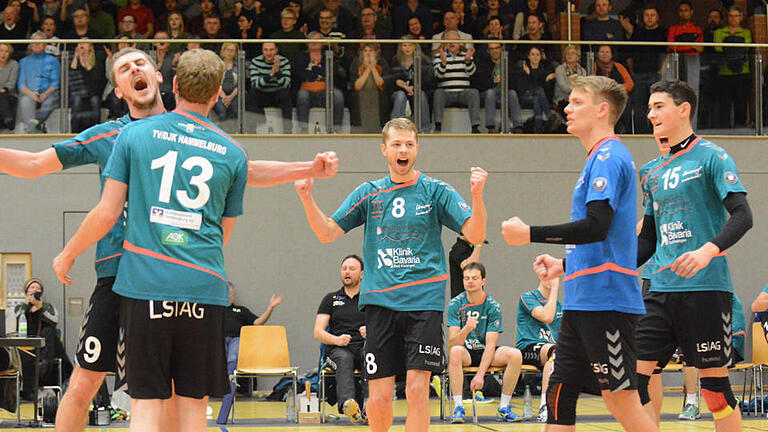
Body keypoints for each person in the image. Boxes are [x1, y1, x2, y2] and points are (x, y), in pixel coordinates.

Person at [0, 46, 338, 432]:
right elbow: (32, 163)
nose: (134, 69)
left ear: (161, 76)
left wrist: (308, 167)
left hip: (167, 278)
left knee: (176, 395)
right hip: (119, 273)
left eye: (140, 62)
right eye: (124, 69)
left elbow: (247, 169)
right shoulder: (112, 135)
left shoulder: (198, 133)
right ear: (119, 90)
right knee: (85, 382)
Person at [294, 117, 487, 432]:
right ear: (384, 149)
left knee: (416, 389)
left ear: (417, 149)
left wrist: (477, 196)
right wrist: (306, 198)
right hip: (380, 304)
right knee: (380, 396)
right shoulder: (370, 193)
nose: (403, 150)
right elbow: (327, 232)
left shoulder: (436, 191)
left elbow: (475, 232)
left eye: (409, 144)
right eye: (397, 144)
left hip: (423, 303)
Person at [501, 75, 658, 432]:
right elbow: (606, 241)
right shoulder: (596, 158)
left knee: (621, 400)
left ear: (602, 110)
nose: (566, 108)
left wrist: (530, 234)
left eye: (576, 102)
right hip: (582, 301)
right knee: (559, 390)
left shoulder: (609, 156)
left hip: (607, 303)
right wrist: (564, 265)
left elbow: (596, 226)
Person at [635, 79, 751, 431]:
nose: (651, 113)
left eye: (658, 106)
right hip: (659, 288)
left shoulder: (712, 156)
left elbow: (743, 215)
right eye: (650, 107)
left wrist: (707, 249)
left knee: (714, 390)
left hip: (705, 288)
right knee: (633, 380)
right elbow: (648, 242)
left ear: (683, 109)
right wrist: (607, 267)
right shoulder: (650, 172)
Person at [447, 262, 523, 423]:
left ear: (483, 281)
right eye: (466, 278)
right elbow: (452, 343)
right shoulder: (455, 304)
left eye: (474, 278)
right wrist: (466, 329)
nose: (470, 281)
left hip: (486, 351)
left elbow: (490, 344)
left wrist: (480, 375)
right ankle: (459, 407)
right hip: (466, 352)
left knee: (515, 355)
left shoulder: (492, 306)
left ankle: (503, 408)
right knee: (454, 352)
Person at [314, 254, 367, 423]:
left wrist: (372, 331)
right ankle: (348, 404)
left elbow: (385, 326)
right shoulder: (331, 299)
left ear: (362, 274)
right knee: (344, 359)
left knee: (371, 355)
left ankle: (370, 406)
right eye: (344, 269)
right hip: (339, 349)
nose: (347, 272)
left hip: (365, 345)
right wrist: (336, 340)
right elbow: (318, 332)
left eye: (352, 269)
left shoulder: (370, 298)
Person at [13, 278, 73, 400]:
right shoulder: (19, 307)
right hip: (27, 346)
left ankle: (43, 364)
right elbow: (14, 324)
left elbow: (54, 321)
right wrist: (27, 306)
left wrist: (40, 307)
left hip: (47, 347)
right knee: (24, 355)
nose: (35, 290)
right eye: (32, 287)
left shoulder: (48, 307)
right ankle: (28, 390)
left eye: (38, 288)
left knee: (49, 331)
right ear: (26, 290)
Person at [515, 275, 562, 423]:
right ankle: (545, 406)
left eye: (554, 276)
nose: (551, 279)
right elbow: (546, 316)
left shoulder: (559, 306)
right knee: (554, 352)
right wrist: (555, 288)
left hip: (550, 350)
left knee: (557, 355)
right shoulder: (528, 297)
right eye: (547, 275)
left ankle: (554, 404)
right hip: (527, 347)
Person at [224, 281, 284, 388]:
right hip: (218, 340)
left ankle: (230, 380)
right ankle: (222, 382)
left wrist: (270, 308)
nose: (227, 296)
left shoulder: (241, 310)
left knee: (235, 349)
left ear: (233, 295)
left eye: (230, 293)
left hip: (237, 339)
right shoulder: (214, 310)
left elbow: (257, 323)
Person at [294, 32, 346, 133]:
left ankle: (336, 129)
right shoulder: (301, 57)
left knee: (338, 95)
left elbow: (332, 72)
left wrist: (312, 72)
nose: (314, 42)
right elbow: (300, 73)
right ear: (307, 43)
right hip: (307, 90)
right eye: (311, 40)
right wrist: (319, 74)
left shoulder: (328, 56)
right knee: (302, 95)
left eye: (317, 40)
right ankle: (304, 129)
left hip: (324, 91)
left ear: (322, 43)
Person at [627, 4, 666, 134]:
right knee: (639, 105)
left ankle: (658, 130)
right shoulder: (637, 33)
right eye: (646, 15)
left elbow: (668, 54)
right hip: (638, 74)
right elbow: (629, 54)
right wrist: (633, 72)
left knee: (658, 104)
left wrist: (661, 71)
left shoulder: (662, 33)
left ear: (658, 17)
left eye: (652, 15)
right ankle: (641, 132)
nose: (649, 18)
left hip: (655, 74)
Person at [432, 30, 480, 134]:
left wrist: (467, 60)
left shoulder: (466, 55)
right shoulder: (439, 56)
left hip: (463, 92)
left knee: (473, 92)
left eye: (454, 40)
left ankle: (475, 127)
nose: (451, 43)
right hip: (446, 92)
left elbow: (472, 73)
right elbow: (438, 75)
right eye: (448, 41)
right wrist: (443, 62)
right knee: (438, 93)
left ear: (460, 43)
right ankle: (438, 126)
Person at [665, 1, 702, 128]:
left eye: (686, 10)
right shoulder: (673, 29)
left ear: (691, 12)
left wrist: (680, 46)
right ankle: (675, 126)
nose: (684, 13)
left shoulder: (697, 29)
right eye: (681, 10)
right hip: (676, 63)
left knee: (692, 93)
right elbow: (670, 46)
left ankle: (693, 126)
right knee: (674, 94)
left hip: (692, 64)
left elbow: (700, 48)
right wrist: (690, 46)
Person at [713, 6, 751, 129]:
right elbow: (718, 48)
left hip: (742, 71)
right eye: (731, 16)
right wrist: (736, 47)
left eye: (736, 16)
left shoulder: (746, 32)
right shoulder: (719, 32)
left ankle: (740, 128)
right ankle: (724, 128)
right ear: (727, 17)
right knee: (724, 103)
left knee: (741, 102)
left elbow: (745, 48)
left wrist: (728, 46)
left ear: (741, 18)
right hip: (724, 72)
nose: (733, 18)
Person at [16, 31, 60, 134]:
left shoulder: (53, 60)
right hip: (30, 93)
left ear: (45, 45)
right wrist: (32, 94)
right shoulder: (23, 61)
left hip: (49, 93)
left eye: (39, 42)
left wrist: (45, 94)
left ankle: (36, 123)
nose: (36, 44)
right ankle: (35, 130)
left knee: (52, 100)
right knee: (25, 101)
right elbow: (21, 84)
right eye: (34, 42)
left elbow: (55, 83)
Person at [476, 42, 523, 133]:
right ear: (488, 51)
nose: (494, 51)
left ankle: (518, 126)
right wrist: (493, 82)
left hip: (504, 93)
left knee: (512, 93)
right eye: (491, 49)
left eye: (496, 48)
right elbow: (480, 84)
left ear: (502, 49)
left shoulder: (508, 63)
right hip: (487, 94)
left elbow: (515, 84)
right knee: (490, 93)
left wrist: (505, 80)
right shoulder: (483, 64)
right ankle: (491, 127)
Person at [247, 42, 293, 134]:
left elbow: (287, 84)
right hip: (262, 93)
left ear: (276, 50)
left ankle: (288, 131)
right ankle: (252, 131)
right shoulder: (256, 61)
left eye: (271, 50)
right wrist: (271, 74)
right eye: (266, 50)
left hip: (278, 93)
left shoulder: (284, 61)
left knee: (285, 94)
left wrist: (278, 71)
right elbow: (255, 84)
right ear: (262, 51)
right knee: (251, 94)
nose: (269, 53)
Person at [389, 36, 433, 132]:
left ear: (415, 46)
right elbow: (395, 79)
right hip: (399, 90)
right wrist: (406, 87)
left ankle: (425, 129)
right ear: (400, 47)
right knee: (400, 96)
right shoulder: (395, 60)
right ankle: (395, 129)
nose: (407, 48)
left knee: (420, 95)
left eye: (410, 45)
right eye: (404, 45)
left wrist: (413, 88)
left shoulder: (423, 60)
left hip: (417, 88)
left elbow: (424, 79)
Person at [512, 46, 554, 134]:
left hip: (538, 98)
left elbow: (547, 92)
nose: (535, 57)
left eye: (537, 55)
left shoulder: (543, 70)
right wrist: (527, 75)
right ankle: (550, 117)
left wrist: (547, 80)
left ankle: (538, 127)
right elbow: (521, 89)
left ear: (541, 56)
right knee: (539, 90)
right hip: (525, 96)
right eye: (533, 54)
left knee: (536, 99)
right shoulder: (522, 69)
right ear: (528, 56)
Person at [350, 43, 390, 133]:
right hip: (361, 93)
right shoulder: (356, 63)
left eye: (371, 51)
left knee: (383, 98)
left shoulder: (382, 62)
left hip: (378, 93)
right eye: (365, 51)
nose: (368, 53)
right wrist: (368, 69)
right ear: (361, 53)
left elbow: (381, 84)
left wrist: (373, 68)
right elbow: (357, 86)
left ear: (376, 53)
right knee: (355, 98)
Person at [69, 40, 106, 133]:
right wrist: (76, 57)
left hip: (93, 92)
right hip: (79, 93)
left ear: (90, 47)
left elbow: (95, 81)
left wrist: (86, 64)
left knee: (95, 101)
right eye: (79, 43)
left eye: (84, 43)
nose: (81, 44)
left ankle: (95, 131)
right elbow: (71, 76)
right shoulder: (73, 61)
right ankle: (74, 132)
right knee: (77, 101)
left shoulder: (97, 60)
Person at [594, 45, 633, 134]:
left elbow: (630, 84)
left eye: (607, 52)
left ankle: (623, 130)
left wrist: (616, 89)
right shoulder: (593, 66)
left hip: (618, 96)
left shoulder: (619, 66)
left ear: (612, 54)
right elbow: (592, 85)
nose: (604, 54)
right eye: (602, 52)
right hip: (601, 97)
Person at [213, 43, 239, 122]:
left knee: (235, 110)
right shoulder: (217, 65)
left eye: (232, 50)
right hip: (219, 94)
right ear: (223, 51)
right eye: (228, 50)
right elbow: (215, 83)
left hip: (234, 94)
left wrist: (230, 97)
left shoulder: (239, 65)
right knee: (222, 112)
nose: (229, 52)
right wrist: (224, 97)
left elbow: (240, 84)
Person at [0, 43, 18, 131]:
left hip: (9, 95)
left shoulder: (14, 64)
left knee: (1, 96)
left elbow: (12, 82)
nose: (3, 54)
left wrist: (3, 90)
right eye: (1, 51)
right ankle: (8, 119)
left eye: (6, 51)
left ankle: (8, 119)